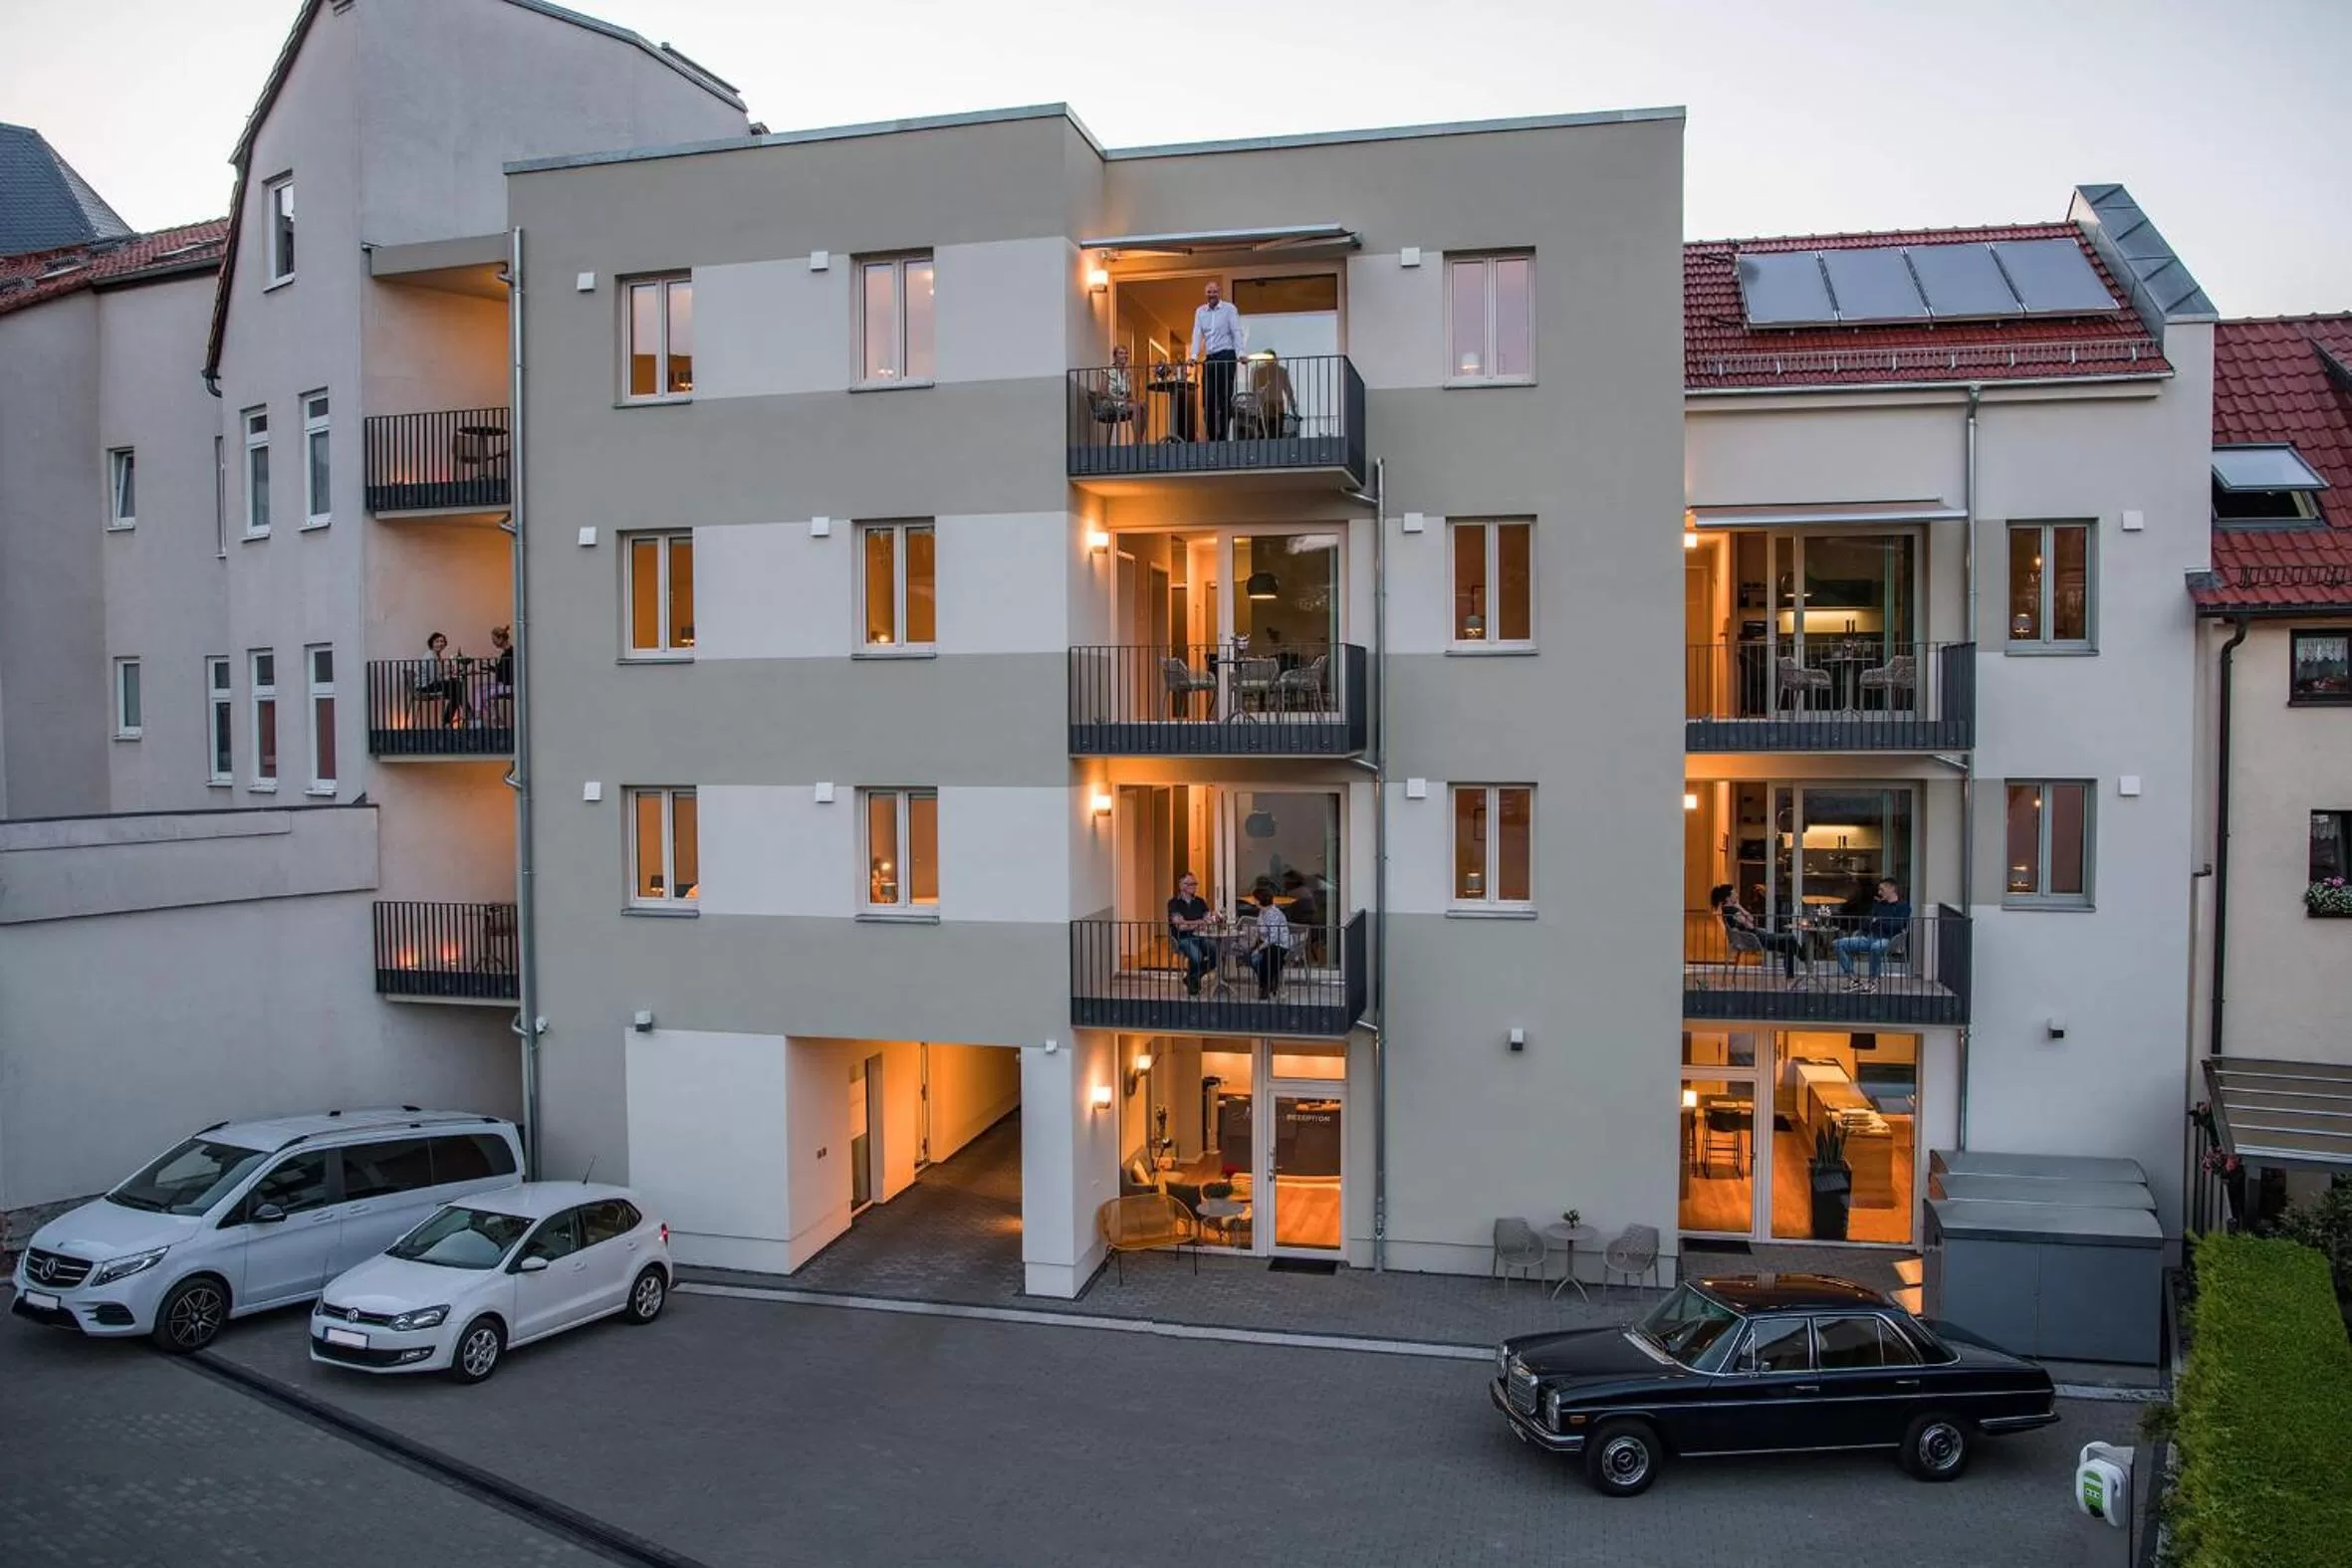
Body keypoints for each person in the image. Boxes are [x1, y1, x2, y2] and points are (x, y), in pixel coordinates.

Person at [1711, 883, 1804, 987]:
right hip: (1757, 938)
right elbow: (1750, 925)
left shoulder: (1728, 909)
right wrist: (1744, 916)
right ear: (1728, 897)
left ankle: (1790, 980)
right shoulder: (1731, 911)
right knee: (1790, 937)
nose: (1737, 894)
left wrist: (1738, 906)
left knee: (1788, 946)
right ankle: (1805, 959)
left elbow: (1750, 918)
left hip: (1757, 936)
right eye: (1734, 892)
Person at [1189, 280, 1246, 442]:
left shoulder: (1229, 309)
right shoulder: (1200, 311)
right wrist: (1193, 355)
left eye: (1214, 291)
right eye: (1209, 292)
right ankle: (1213, 436)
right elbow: (1197, 333)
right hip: (1210, 357)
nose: (1211, 294)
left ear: (1219, 293)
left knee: (1224, 398)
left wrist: (1240, 352)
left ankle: (1223, 436)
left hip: (1226, 355)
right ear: (1205, 294)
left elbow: (1236, 331)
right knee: (1208, 400)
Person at [1835, 878, 1912, 993]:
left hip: (1888, 939)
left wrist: (1878, 921)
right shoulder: (1878, 905)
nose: (1879, 893)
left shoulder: (1903, 906)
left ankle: (1873, 981)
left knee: (1876, 947)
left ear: (1891, 889)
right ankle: (1853, 979)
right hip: (1869, 937)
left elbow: (1897, 925)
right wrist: (1876, 922)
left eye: (1882, 889)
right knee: (1838, 944)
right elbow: (1866, 923)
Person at [1167, 872, 1216, 996]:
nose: (1194, 886)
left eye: (1195, 883)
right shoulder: (1174, 903)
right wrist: (1199, 922)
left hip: (1201, 936)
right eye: (1191, 883)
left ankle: (1192, 977)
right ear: (1182, 886)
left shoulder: (1200, 901)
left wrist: (1194, 922)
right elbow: (1180, 926)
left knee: (1217, 951)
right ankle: (1193, 982)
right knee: (1197, 956)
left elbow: (1208, 920)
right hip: (1183, 938)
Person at [1248, 882, 1293, 999]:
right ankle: (1270, 981)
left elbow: (1273, 937)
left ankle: (1265, 985)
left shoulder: (1273, 914)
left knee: (1266, 957)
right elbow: (1261, 932)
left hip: (1280, 944)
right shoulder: (1262, 912)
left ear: (1259, 900)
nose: (1254, 901)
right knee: (1250, 957)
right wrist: (1255, 945)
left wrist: (1259, 948)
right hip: (1266, 943)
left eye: (1255, 899)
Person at [415, 630, 470, 728]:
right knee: (457, 687)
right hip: (425, 686)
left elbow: (438, 676)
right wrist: (449, 677)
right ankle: (469, 715)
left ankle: (448, 722)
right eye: (437, 641)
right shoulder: (430, 656)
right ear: (431, 643)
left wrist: (448, 676)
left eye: (442, 641)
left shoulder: (436, 656)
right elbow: (434, 678)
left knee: (456, 693)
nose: (440, 643)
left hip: (431, 684)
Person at [1092, 343, 1140, 444]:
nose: (1125, 356)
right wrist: (1118, 399)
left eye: (1126, 353)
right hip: (1110, 404)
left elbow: (1128, 395)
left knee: (1144, 406)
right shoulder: (1108, 371)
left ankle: (1139, 439)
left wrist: (1132, 399)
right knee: (1136, 407)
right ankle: (1137, 442)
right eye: (1121, 353)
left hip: (1122, 404)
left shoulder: (1127, 374)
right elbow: (1103, 392)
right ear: (1115, 356)